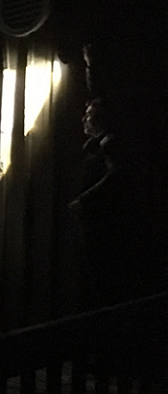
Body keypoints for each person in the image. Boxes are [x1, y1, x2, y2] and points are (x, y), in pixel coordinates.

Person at [68, 96, 128, 306]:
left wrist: (85, 200)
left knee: (98, 273)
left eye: (89, 115)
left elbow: (116, 175)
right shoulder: (94, 144)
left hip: (99, 219)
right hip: (91, 217)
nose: (84, 119)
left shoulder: (108, 143)